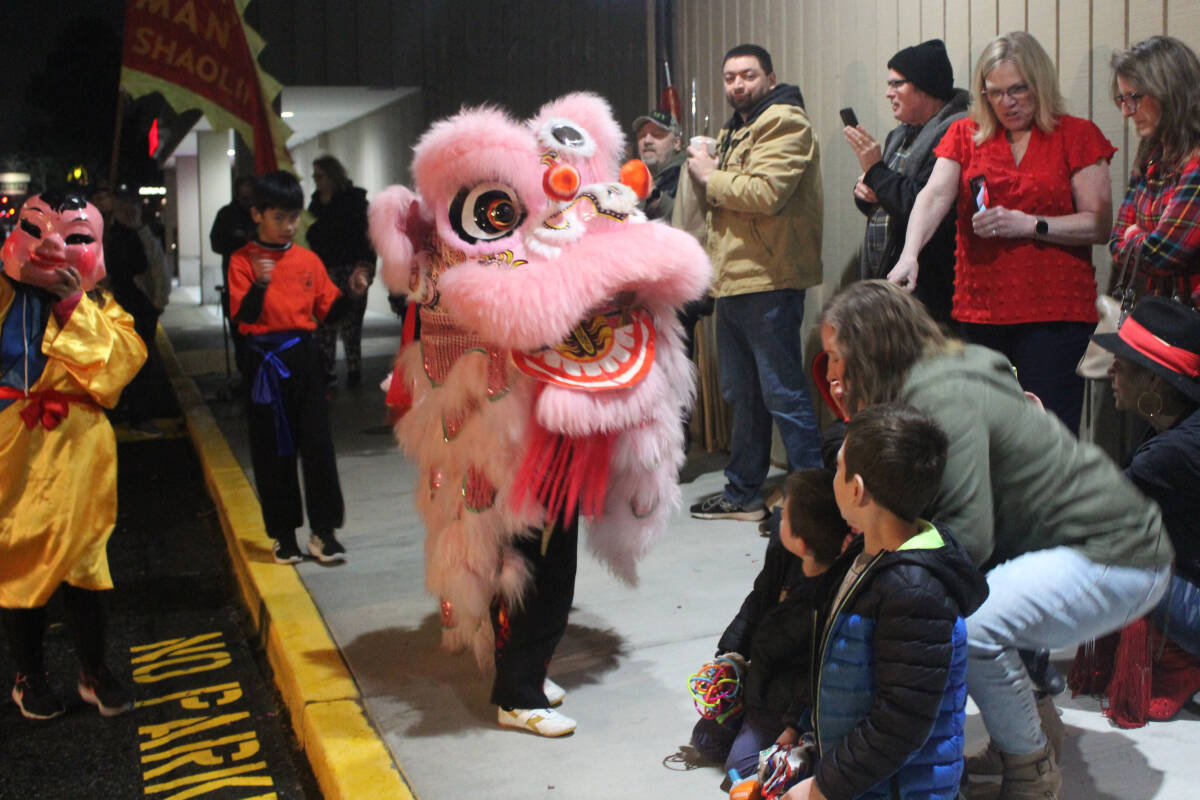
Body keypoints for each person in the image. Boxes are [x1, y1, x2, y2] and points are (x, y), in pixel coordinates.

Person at [818, 280, 1173, 798]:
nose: (830, 374)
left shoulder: (942, 394)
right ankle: (1030, 736)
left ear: (870, 349)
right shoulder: (936, 378)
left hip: (1115, 553)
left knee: (976, 622)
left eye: (835, 357)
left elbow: (968, 536)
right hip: (1085, 550)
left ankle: (1031, 773)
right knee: (980, 602)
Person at [891, 31, 1116, 435]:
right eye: (994, 93)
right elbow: (934, 195)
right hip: (982, 307)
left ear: (1040, 84)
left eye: (1018, 90)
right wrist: (910, 253)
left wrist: (1029, 224)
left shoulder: (1075, 135)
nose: (1007, 103)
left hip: (1054, 312)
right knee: (985, 431)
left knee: (1049, 433)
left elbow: (1098, 224)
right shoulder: (966, 134)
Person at [783, 403, 987, 800]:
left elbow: (900, 724)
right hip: (863, 781)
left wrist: (823, 787)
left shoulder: (914, 592)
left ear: (856, 489)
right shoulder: (866, 556)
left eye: (838, 468)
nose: (833, 478)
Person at [0, 191, 147, 719]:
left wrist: (70, 306)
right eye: (35, 230)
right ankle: (29, 675)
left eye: (76, 236)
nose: (55, 246)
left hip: (80, 450)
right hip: (13, 446)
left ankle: (94, 670)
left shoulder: (104, 307)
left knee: (85, 562)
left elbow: (120, 365)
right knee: (17, 560)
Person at [686, 43, 825, 522]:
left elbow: (766, 193)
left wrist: (709, 174)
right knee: (742, 396)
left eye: (747, 75)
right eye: (729, 78)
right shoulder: (736, 129)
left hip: (770, 279)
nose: (737, 85)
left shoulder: (785, 122)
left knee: (783, 394)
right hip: (736, 281)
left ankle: (811, 506)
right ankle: (743, 491)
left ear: (769, 76)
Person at [1069, 296, 1200, 727]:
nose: (1110, 372)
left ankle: (1180, 660)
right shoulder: (1175, 424)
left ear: (1156, 382)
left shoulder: (1174, 450)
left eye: (1122, 364)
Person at [227, 171, 370, 565]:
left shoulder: (308, 260)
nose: (288, 226)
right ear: (257, 214)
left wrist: (354, 294)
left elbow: (330, 312)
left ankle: (324, 533)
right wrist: (259, 284)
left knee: (317, 444)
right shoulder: (243, 261)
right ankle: (284, 534)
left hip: (305, 359)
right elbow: (241, 318)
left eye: (293, 218)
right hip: (265, 362)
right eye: (279, 218)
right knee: (273, 450)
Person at [691, 469, 851, 794]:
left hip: (786, 702)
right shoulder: (783, 554)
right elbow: (756, 603)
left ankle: (806, 759)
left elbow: (812, 677)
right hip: (761, 681)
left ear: (803, 540)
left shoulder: (828, 596)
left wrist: (792, 728)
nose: (778, 514)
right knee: (705, 740)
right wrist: (730, 655)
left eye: (786, 511)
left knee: (743, 769)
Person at [844, 39, 969, 324]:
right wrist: (864, 192)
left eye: (897, 84)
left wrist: (876, 171)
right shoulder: (899, 134)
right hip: (889, 281)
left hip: (932, 287)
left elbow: (920, 203)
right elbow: (888, 195)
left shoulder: (955, 132)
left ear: (925, 86)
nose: (888, 93)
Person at [1108, 36, 1200, 308]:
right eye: (1122, 99)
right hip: (1159, 316)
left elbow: (1161, 254)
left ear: (1169, 90)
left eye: (1134, 97)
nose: (1126, 111)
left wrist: (1135, 236)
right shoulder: (1151, 155)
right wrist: (1138, 240)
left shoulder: (1195, 162)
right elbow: (1115, 243)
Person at [306, 156, 376, 387]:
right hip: (325, 270)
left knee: (351, 322)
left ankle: (353, 368)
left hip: (350, 268)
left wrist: (365, 267)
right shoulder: (315, 206)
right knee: (325, 322)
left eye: (320, 175)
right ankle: (326, 368)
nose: (316, 181)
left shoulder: (354, 202)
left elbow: (367, 238)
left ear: (333, 175)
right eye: (314, 176)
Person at [210, 176, 257, 378]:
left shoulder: (262, 214)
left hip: (260, 282)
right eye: (243, 192)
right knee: (239, 332)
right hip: (235, 283)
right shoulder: (227, 215)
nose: (246, 196)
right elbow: (216, 243)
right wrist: (239, 242)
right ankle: (245, 373)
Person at [632, 109, 686, 221]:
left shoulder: (688, 176)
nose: (647, 140)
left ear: (676, 143)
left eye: (657, 134)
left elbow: (688, 224)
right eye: (642, 135)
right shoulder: (634, 175)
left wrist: (654, 195)